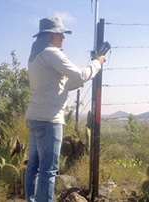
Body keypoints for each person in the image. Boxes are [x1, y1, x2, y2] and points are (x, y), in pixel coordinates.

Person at [24, 17, 105, 202]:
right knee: (49, 170)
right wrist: (97, 63)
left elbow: (62, 84)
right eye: (61, 34)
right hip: (49, 119)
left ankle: (31, 199)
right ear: (53, 34)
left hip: (35, 117)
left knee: (34, 166)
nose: (63, 38)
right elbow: (79, 75)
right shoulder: (52, 53)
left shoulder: (36, 55)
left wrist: (87, 71)